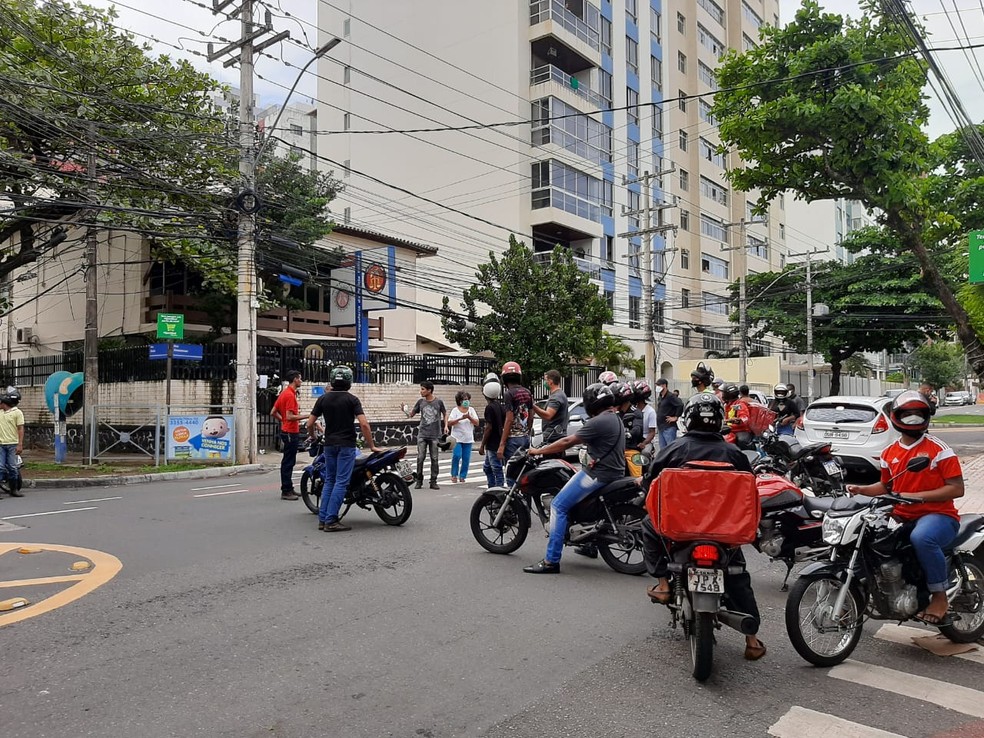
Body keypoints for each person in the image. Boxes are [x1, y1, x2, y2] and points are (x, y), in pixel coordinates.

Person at [641, 392, 767, 660]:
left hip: (679, 529)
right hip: (724, 532)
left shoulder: (674, 448)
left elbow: (650, 481)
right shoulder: (734, 453)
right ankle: (752, 639)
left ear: (688, 419)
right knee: (738, 575)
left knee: (647, 526)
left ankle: (664, 584)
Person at [846, 390, 963, 625]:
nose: (913, 419)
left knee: (922, 538)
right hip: (901, 515)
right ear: (896, 416)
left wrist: (918, 497)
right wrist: (861, 490)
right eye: (907, 414)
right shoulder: (889, 452)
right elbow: (886, 485)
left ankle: (939, 596)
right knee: (868, 537)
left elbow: (956, 488)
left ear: (926, 416)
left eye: (918, 414)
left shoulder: (938, 449)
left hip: (938, 515)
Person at [522, 382, 626, 574]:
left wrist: (539, 450)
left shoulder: (599, 421)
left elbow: (568, 441)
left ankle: (551, 561)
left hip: (598, 475)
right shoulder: (615, 418)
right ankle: (586, 542)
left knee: (558, 505)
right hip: (613, 472)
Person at [306, 366, 380, 532]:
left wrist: (312, 436)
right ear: (349, 381)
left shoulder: (323, 399)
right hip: (346, 445)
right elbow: (364, 424)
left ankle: (323, 519)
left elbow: (310, 423)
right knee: (341, 482)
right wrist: (372, 445)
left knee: (330, 481)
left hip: (329, 445)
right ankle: (331, 520)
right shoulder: (352, 400)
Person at [497, 361, 533, 485]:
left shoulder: (509, 394)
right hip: (524, 438)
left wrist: (502, 444)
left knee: (512, 474)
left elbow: (509, 419)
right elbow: (531, 416)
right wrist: (526, 432)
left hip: (512, 440)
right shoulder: (527, 392)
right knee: (523, 473)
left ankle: (514, 503)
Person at [270, 369, 303, 501]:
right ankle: (286, 490)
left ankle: (288, 487)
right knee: (289, 461)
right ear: (295, 379)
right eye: (300, 378)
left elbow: (273, 411)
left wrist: (282, 420)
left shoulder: (285, 393)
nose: (301, 381)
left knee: (289, 460)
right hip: (290, 432)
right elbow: (290, 416)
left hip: (287, 430)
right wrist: (308, 416)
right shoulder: (289, 395)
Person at [408, 381, 447, 490]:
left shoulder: (438, 402)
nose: (421, 391)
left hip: (435, 435)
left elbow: (445, 413)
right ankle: (419, 480)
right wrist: (405, 411)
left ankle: (433, 481)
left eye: (423, 389)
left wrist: (446, 425)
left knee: (434, 458)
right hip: (422, 434)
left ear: (429, 390)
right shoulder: (420, 402)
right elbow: (411, 414)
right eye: (421, 389)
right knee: (420, 457)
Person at [479, 374, 506, 488]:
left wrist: (482, 445)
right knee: (488, 467)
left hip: (492, 443)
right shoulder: (500, 405)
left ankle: (497, 492)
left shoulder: (489, 408)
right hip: (497, 441)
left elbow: (488, 427)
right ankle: (492, 488)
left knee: (496, 470)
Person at [448, 391, 479, 483]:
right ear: (460, 401)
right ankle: (454, 474)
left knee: (466, 458)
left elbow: (477, 423)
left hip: (468, 438)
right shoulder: (455, 410)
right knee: (457, 455)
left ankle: (462, 476)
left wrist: (469, 417)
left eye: (468, 399)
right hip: (456, 438)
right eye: (464, 400)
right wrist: (460, 418)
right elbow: (450, 422)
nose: (466, 401)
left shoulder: (471, 410)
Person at [532, 369, 568, 447]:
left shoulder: (556, 397)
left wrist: (533, 406)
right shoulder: (559, 394)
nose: (544, 383)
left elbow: (548, 415)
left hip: (553, 438)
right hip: (555, 436)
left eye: (545, 380)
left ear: (550, 381)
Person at [0, 393, 24, 497]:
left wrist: (20, 444)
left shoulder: (17, 412)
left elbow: (20, 428)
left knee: (13, 467)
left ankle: (14, 489)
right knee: (0, 467)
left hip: (12, 445)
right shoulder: (0, 413)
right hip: (1, 445)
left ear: (4, 403)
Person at [722, 383, 754, 449]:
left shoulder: (739, 405)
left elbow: (744, 417)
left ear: (728, 394)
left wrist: (737, 420)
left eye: (724, 393)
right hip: (728, 429)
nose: (722, 395)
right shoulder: (726, 405)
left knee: (742, 441)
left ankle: (744, 456)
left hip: (740, 430)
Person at [655, 378, 684, 449]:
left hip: (668, 427)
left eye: (659, 385)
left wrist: (676, 417)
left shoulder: (670, 396)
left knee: (670, 449)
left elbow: (680, 405)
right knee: (663, 450)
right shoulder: (660, 397)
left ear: (664, 385)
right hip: (661, 427)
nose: (657, 387)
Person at [632, 379, 657, 452]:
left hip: (645, 441)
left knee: (645, 453)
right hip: (632, 441)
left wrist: (644, 443)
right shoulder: (631, 410)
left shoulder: (650, 412)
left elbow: (652, 432)